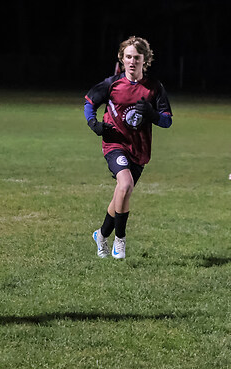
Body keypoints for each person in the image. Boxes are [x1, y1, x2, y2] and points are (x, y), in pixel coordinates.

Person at [84, 36, 172, 259]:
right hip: (114, 143)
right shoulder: (112, 83)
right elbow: (90, 102)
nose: (132, 61)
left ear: (145, 60)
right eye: (128, 57)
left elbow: (167, 120)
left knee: (122, 193)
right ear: (122, 59)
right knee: (125, 184)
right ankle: (120, 241)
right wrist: (93, 123)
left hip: (139, 149)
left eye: (137, 57)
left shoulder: (154, 88)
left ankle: (101, 235)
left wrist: (152, 114)